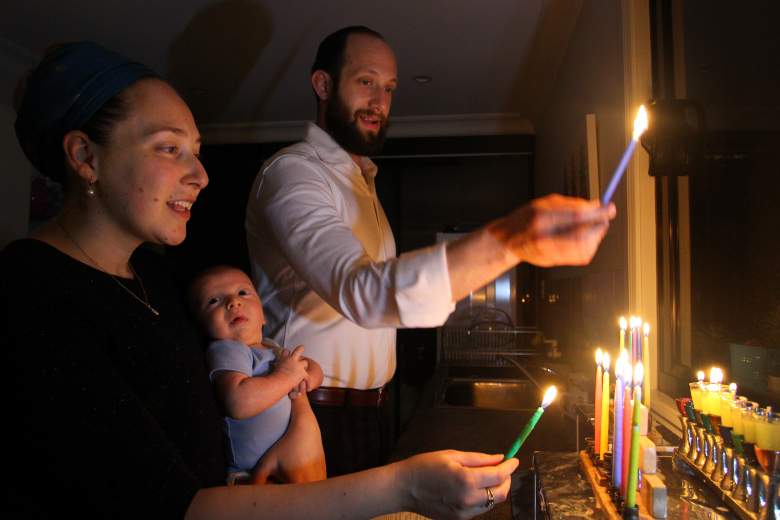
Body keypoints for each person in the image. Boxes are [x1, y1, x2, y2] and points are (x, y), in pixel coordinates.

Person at [1, 40, 518, 519]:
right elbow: (175, 506)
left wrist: (297, 421)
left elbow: (218, 404)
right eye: (168, 148)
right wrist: (404, 486)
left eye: (196, 149)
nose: (200, 174)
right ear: (85, 156)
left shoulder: (155, 277)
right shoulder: (30, 293)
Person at [245, 25, 616, 476]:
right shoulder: (293, 175)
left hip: (368, 416)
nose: (380, 102)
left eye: (389, 88)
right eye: (366, 82)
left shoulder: (363, 183)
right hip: (304, 414)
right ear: (323, 84)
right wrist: (512, 239)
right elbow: (362, 290)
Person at [189, 265, 326, 484]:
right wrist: (288, 377)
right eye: (214, 300)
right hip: (250, 476)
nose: (233, 302)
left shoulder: (271, 347)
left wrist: (311, 375)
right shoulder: (228, 349)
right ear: (202, 326)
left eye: (243, 292)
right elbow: (239, 402)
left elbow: (308, 368)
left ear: (263, 315)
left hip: (285, 464)